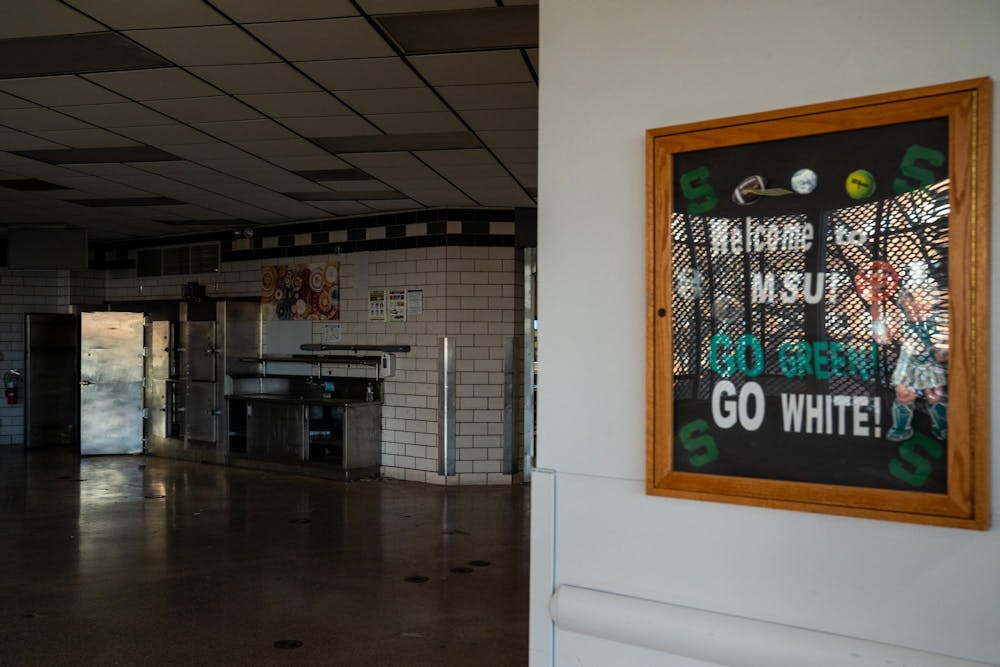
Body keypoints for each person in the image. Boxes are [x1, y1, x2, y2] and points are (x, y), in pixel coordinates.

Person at [872, 261, 948, 442]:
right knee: (904, 394)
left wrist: (942, 352)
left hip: (930, 361)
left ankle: (942, 427)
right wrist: (876, 313)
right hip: (908, 360)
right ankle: (900, 427)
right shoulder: (903, 321)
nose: (915, 303)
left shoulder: (938, 320)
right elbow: (883, 337)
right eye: (911, 297)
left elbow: (945, 344)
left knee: (934, 395)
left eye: (922, 297)